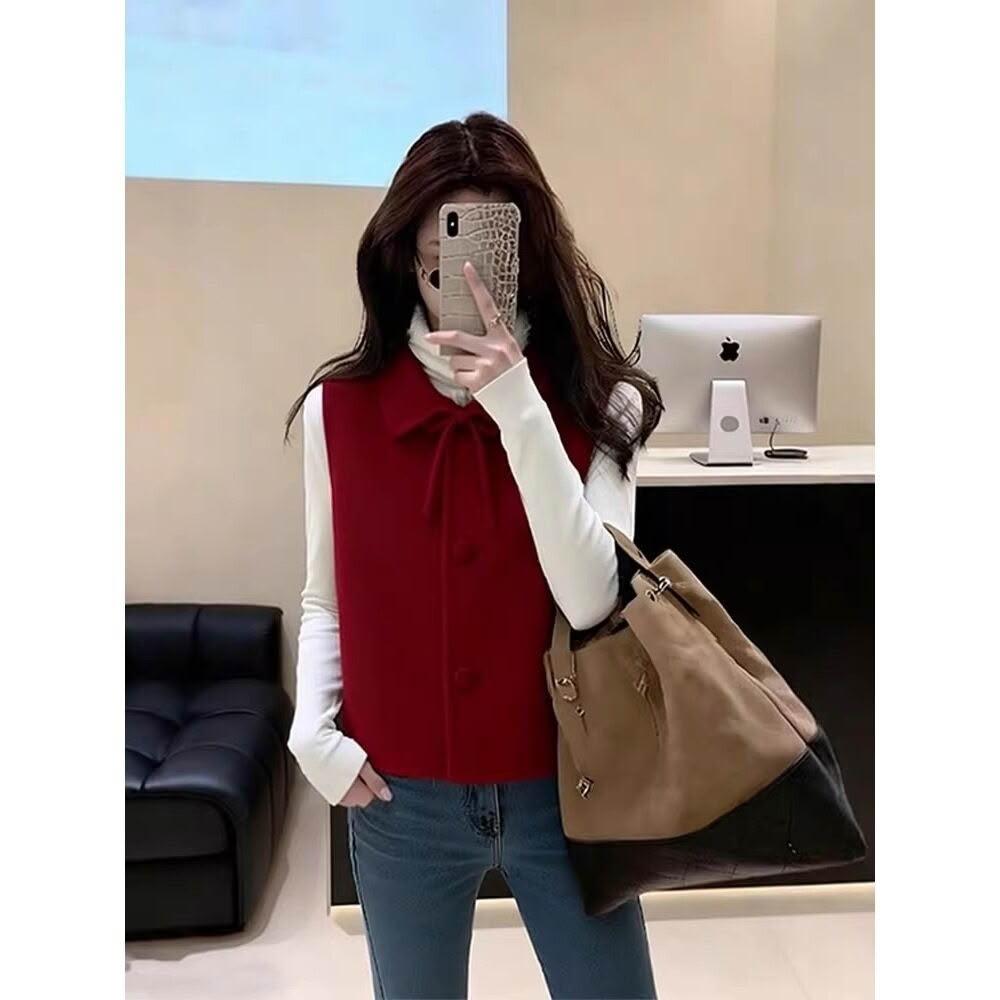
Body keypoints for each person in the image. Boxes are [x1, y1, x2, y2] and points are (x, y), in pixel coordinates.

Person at [283, 111, 663, 1000]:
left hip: (568, 787)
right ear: (404, 260)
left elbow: (591, 599)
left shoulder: (601, 405)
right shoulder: (340, 411)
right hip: (399, 798)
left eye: (488, 257)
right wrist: (314, 732)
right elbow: (325, 596)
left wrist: (519, 404)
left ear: (529, 256)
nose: (463, 283)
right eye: (438, 259)